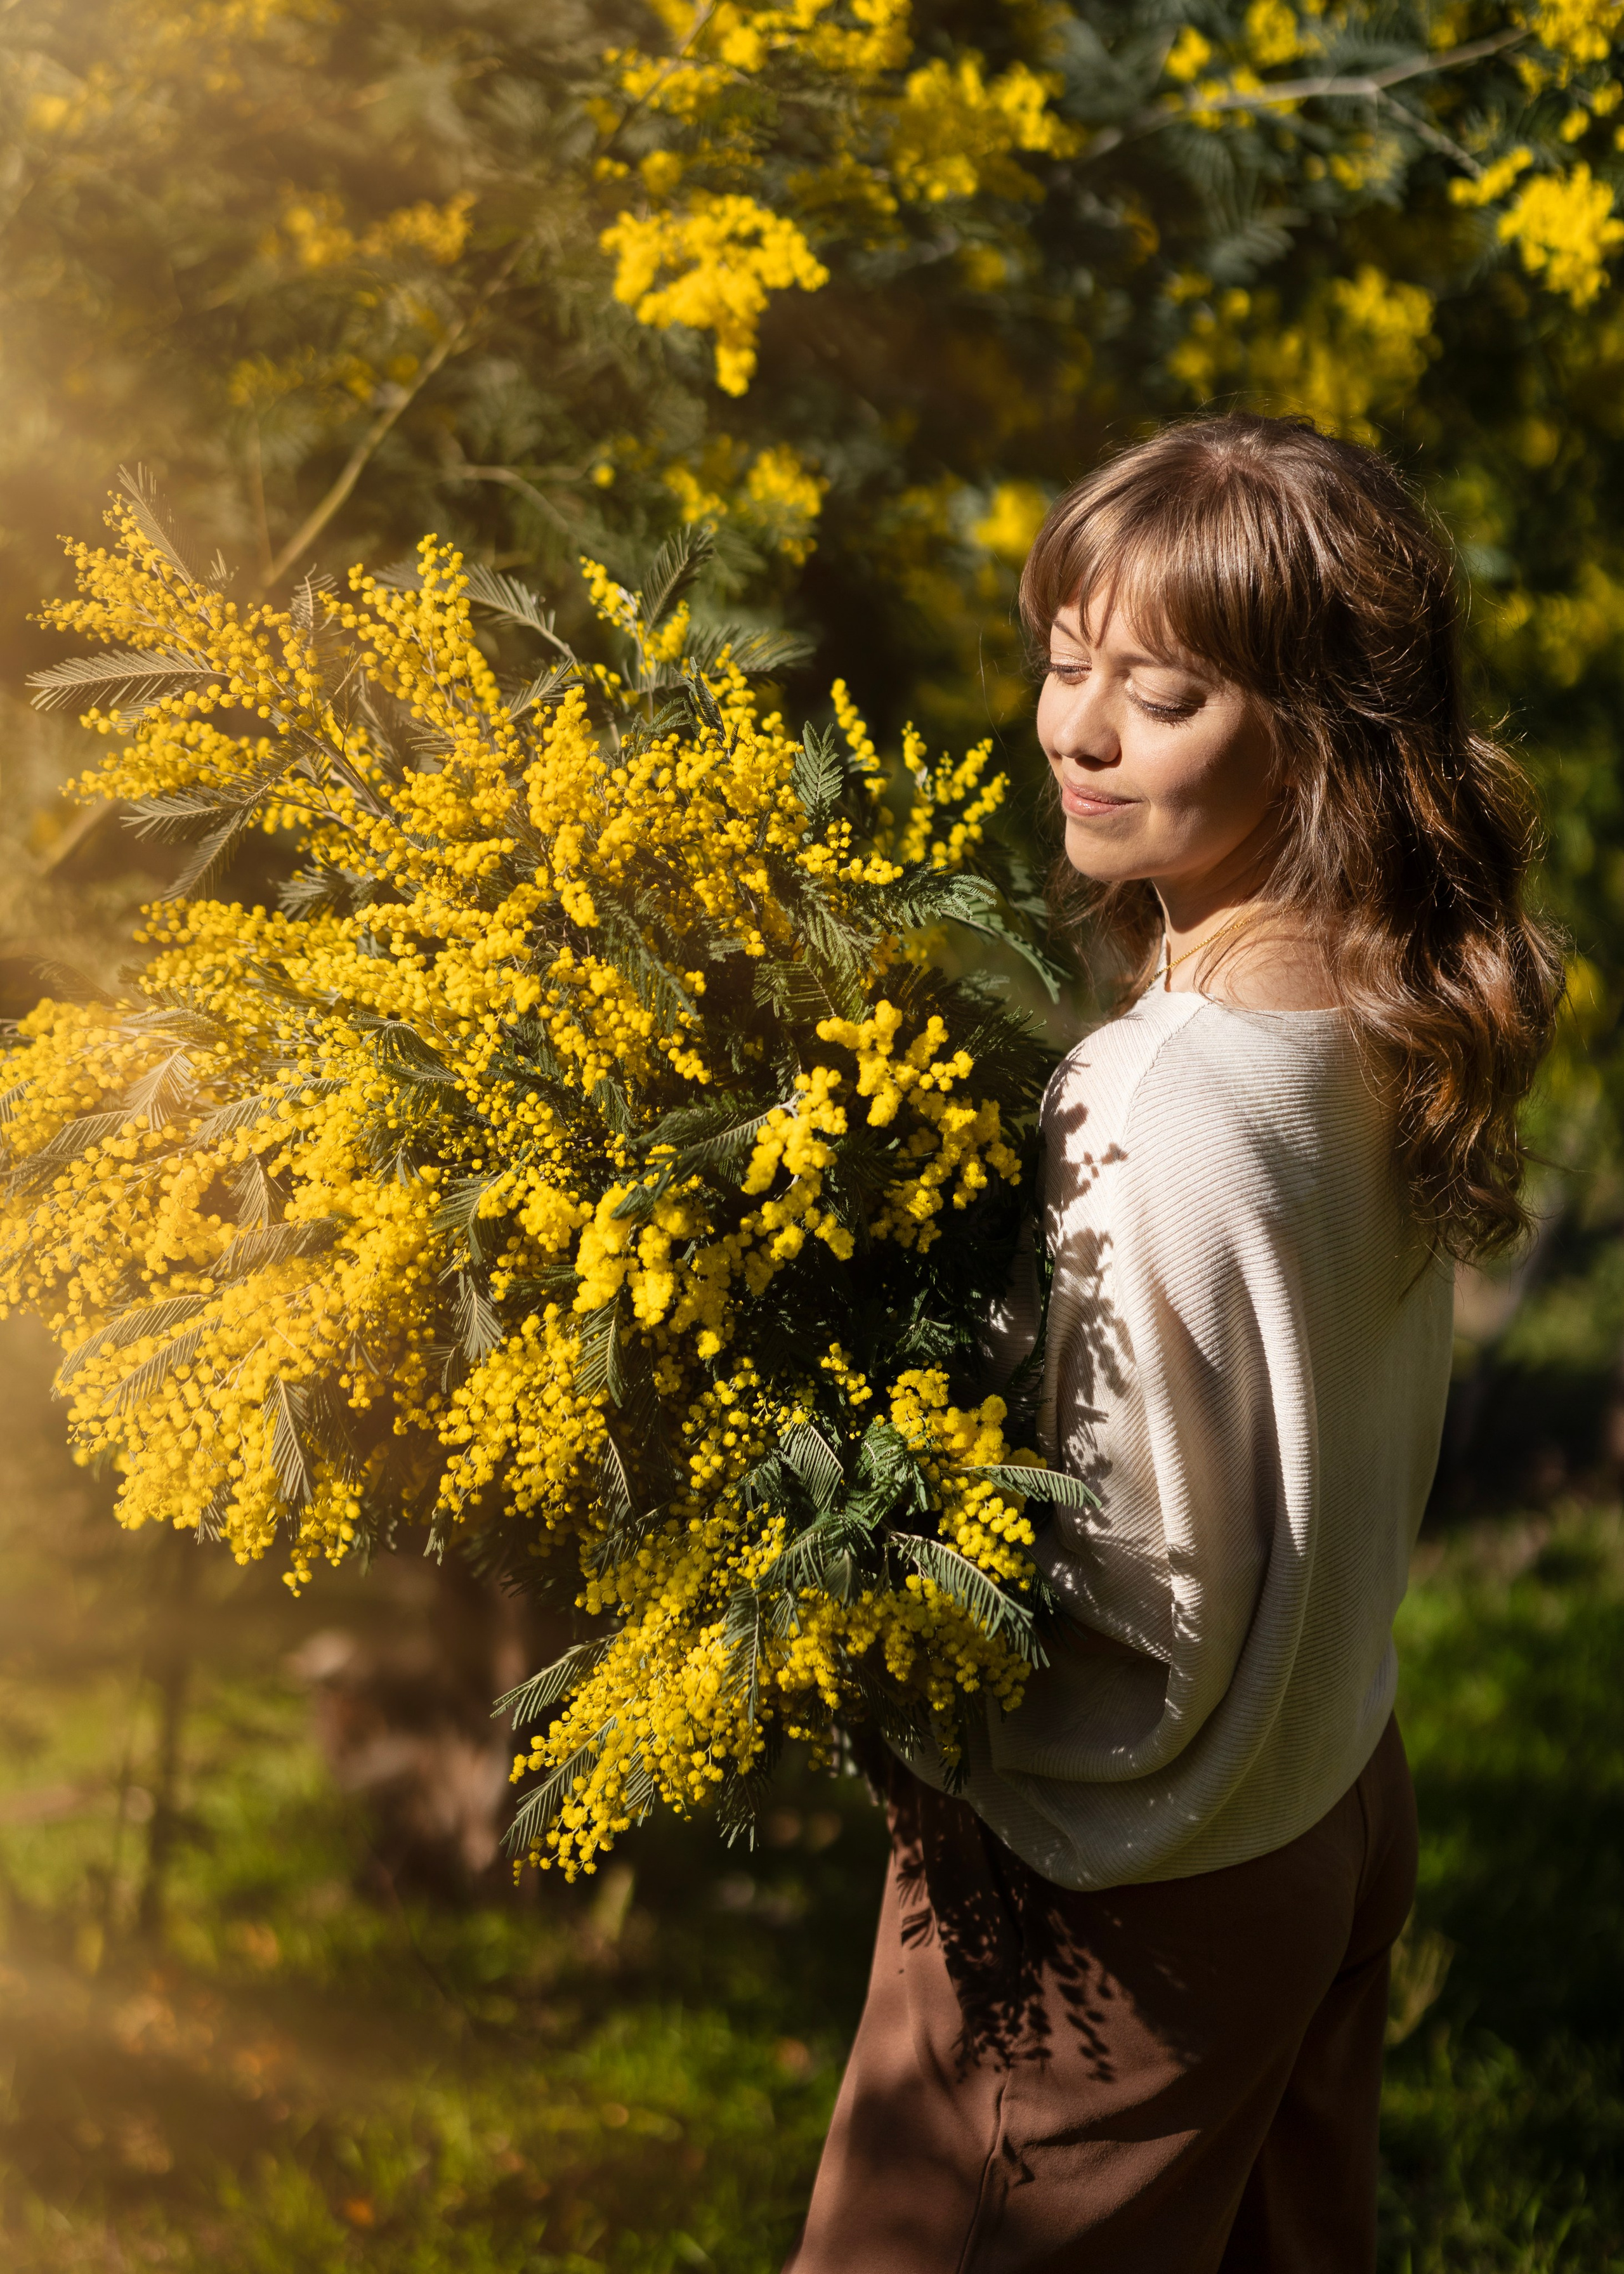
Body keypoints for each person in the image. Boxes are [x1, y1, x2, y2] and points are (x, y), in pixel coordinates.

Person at [786, 413, 1563, 2273]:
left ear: (1318, 729)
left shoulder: (1153, 1102)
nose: (1079, 728)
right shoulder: (1381, 1012)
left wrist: (850, 1620)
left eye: (1165, 690)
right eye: (1066, 664)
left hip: (1116, 1898)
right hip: (1323, 1809)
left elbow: (1131, 1611)